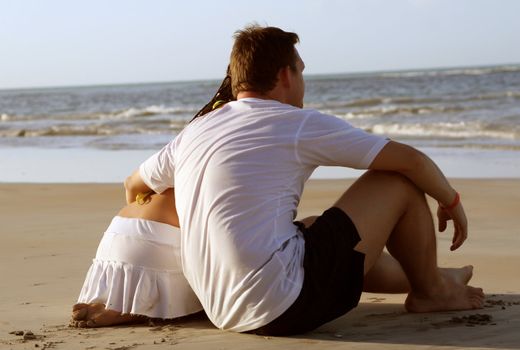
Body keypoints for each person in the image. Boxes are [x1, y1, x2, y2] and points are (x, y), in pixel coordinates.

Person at [124, 25, 485, 336]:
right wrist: (452, 202)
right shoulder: (293, 123)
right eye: (301, 71)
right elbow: (411, 161)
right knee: (397, 182)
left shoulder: (196, 131)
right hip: (283, 306)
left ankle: (429, 276)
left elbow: (134, 186)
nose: (303, 82)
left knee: (312, 229)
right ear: (285, 76)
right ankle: (432, 291)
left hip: (222, 308)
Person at [70, 189, 202, 328]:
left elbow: (131, 185)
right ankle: (129, 309)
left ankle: (112, 299)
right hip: (154, 241)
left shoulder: (172, 167)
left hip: (116, 232)